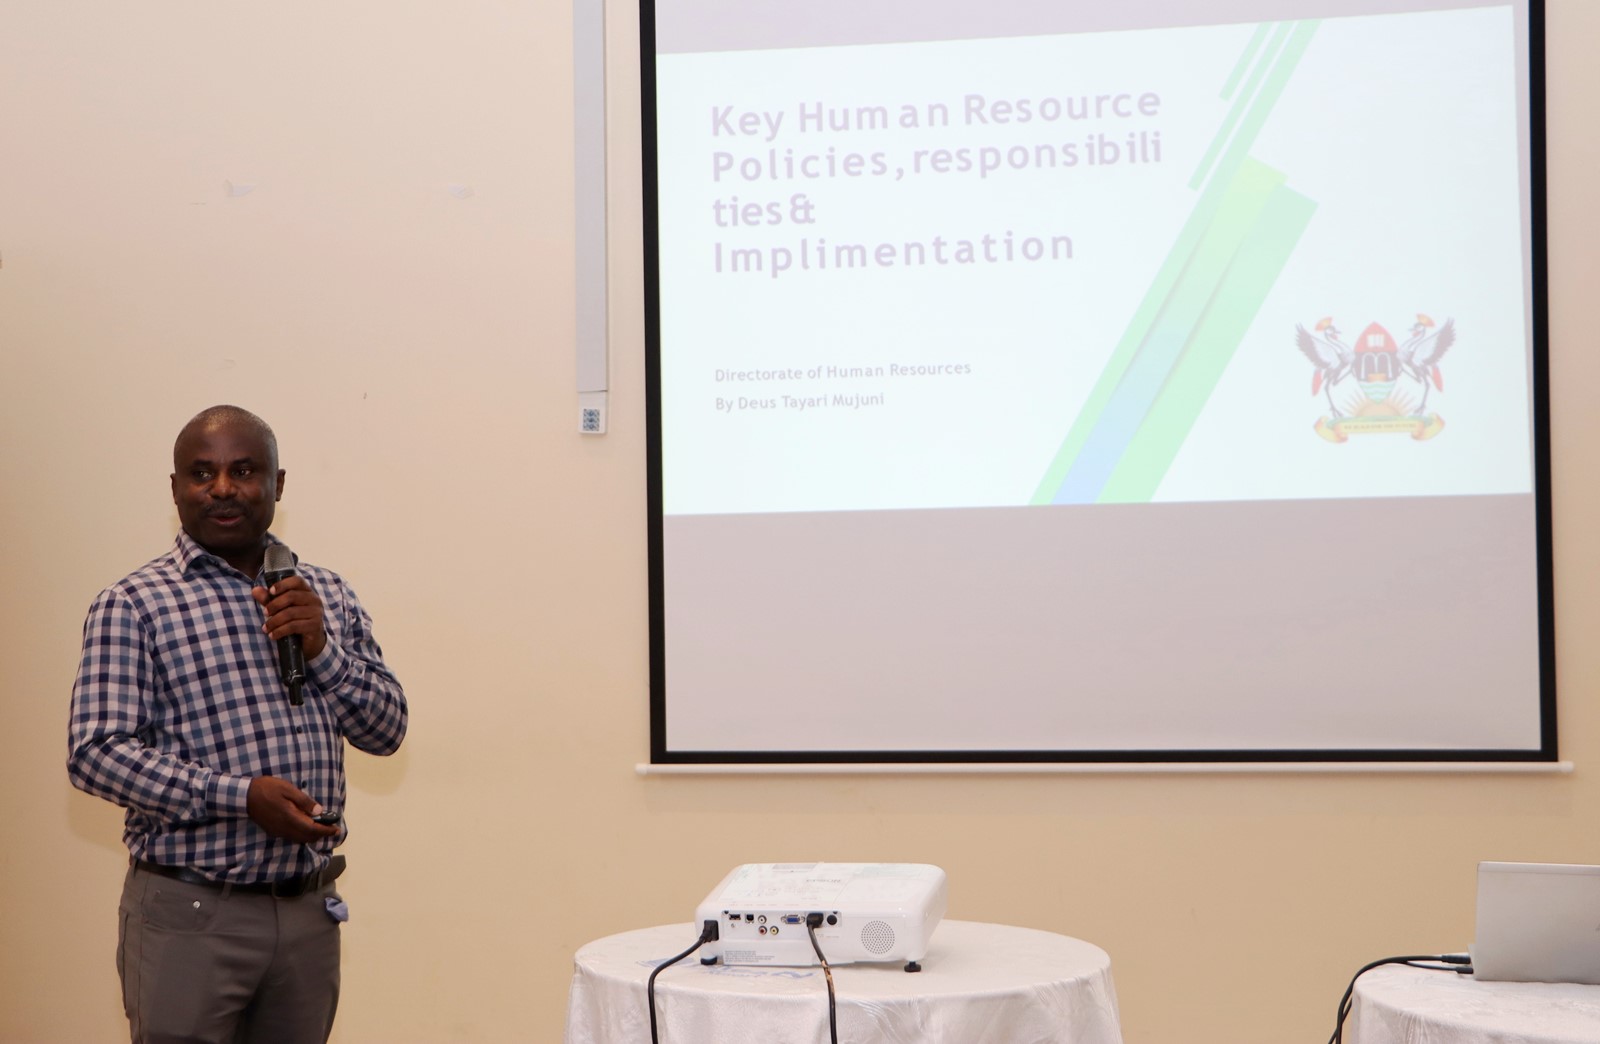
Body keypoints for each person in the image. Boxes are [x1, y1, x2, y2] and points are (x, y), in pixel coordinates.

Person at [67, 405, 408, 1044]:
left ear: (278, 484)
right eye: (202, 473)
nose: (222, 488)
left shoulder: (325, 594)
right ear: (175, 490)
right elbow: (96, 752)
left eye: (244, 470)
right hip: (190, 916)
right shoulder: (134, 603)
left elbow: (386, 731)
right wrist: (241, 798)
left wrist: (321, 649)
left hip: (307, 911)